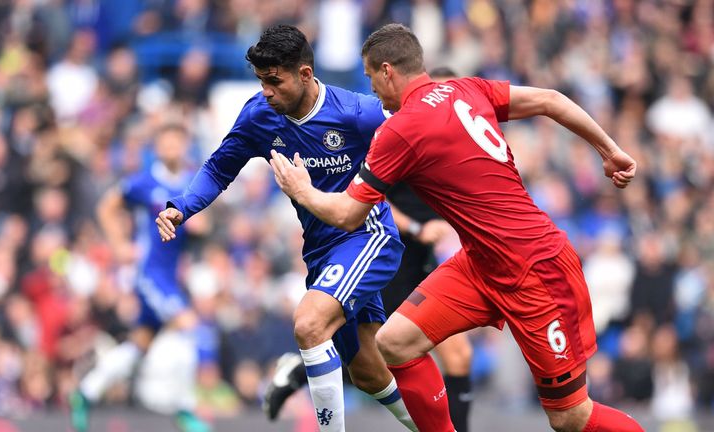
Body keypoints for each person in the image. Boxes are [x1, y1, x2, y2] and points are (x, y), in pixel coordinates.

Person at [269, 23, 644, 432]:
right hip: (480, 263)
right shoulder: (467, 88)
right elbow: (549, 99)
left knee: (570, 417)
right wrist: (610, 150)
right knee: (394, 342)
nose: (371, 88)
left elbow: (346, 214)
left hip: (535, 268)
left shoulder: (400, 129)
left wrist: (301, 190)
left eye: (370, 76)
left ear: (387, 71)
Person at [155, 25, 416, 432]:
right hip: (320, 251)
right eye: (261, 81)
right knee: (367, 371)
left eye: (274, 81)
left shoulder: (357, 113)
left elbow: (416, 134)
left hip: (367, 236)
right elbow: (219, 168)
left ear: (306, 74)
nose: (267, 92)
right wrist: (182, 207)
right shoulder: (259, 116)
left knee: (309, 323)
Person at [261, 68, 474, 431]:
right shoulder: (395, 132)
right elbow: (374, 196)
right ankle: (299, 368)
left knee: (447, 355)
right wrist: (418, 227)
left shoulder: (451, 141)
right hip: (385, 254)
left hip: (423, 261)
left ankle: (299, 367)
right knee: (373, 354)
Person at [69, 124, 210, 432]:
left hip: (170, 275)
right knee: (189, 327)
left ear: (186, 146)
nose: (171, 148)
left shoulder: (192, 182)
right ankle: (185, 409)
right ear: (157, 148)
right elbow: (107, 207)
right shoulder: (144, 182)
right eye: (166, 143)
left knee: (140, 344)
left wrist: (200, 227)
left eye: (177, 142)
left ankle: (86, 392)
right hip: (150, 273)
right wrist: (119, 245)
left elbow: (204, 225)